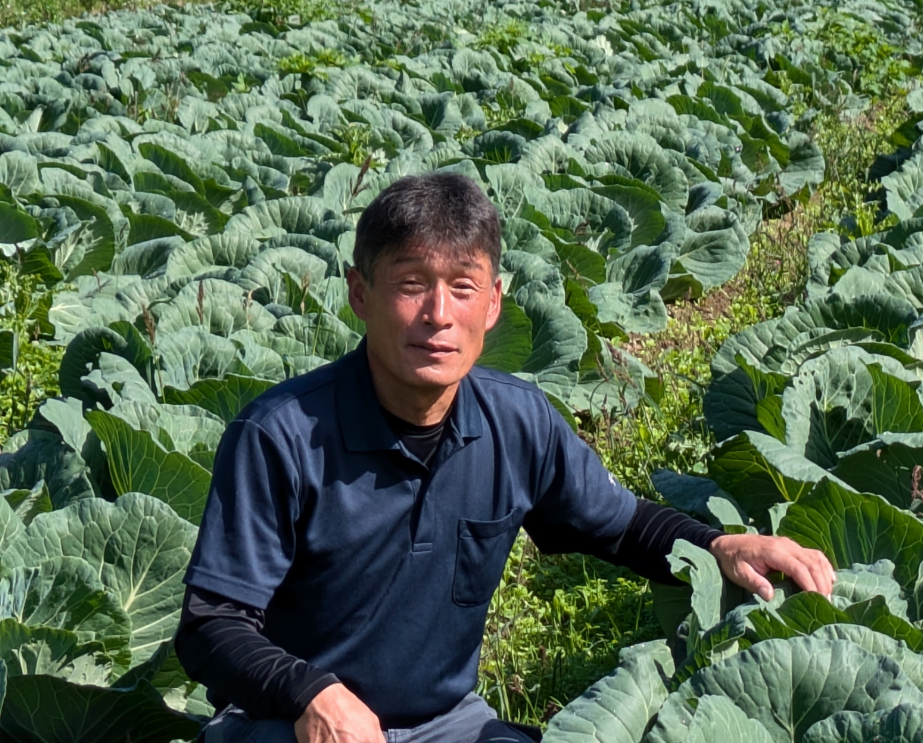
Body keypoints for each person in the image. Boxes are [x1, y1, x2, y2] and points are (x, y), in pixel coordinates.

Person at [175, 172, 836, 743]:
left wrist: (718, 544)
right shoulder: (280, 435)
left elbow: (621, 525)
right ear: (359, 293)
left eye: (462, 287)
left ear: (492, 303)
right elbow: (211, 626)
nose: (438, 314)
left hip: (445, 723)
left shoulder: (515, 419)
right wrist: (309, 691)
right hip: (293, 724)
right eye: (410, 284)